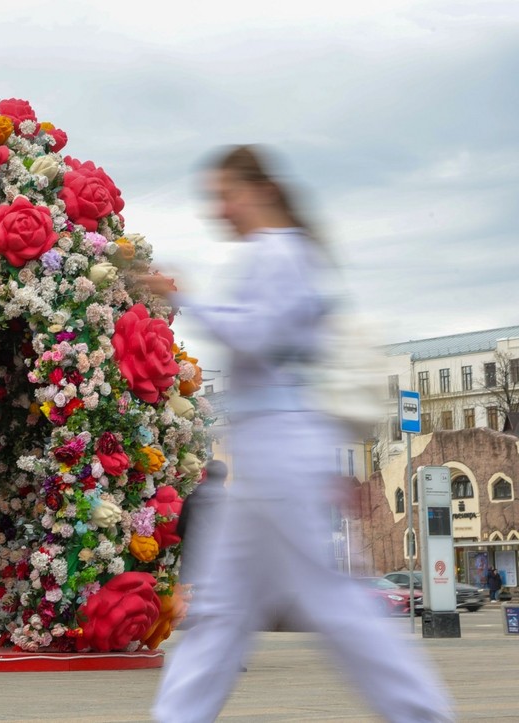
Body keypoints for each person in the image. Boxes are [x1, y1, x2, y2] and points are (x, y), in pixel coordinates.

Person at [145, 145, 454, 722]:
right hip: (273, 447)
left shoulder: (279, 252)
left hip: (281, 446)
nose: (220, 209)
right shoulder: (280, 252)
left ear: (259, 190)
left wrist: (184, 297)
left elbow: (255, 338)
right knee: (225, 609)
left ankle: (423, 714)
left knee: (325, 604)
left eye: (225, 195)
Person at [175, 459, 229, 591]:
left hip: (193, 560)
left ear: (205, 473)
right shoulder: (231, 503)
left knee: (191, 599)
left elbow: (181, 528)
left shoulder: (193, 497)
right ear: (224, 477)